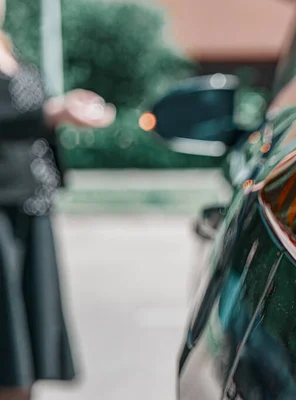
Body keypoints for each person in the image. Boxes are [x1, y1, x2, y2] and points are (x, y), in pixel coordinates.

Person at [0, 1, 116, 398]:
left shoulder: (12, 53)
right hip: (1, 206)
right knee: (6, 331)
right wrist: (52, 112)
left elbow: (33, 110)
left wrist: (69, 105)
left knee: (26, 335)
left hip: (32, 201)